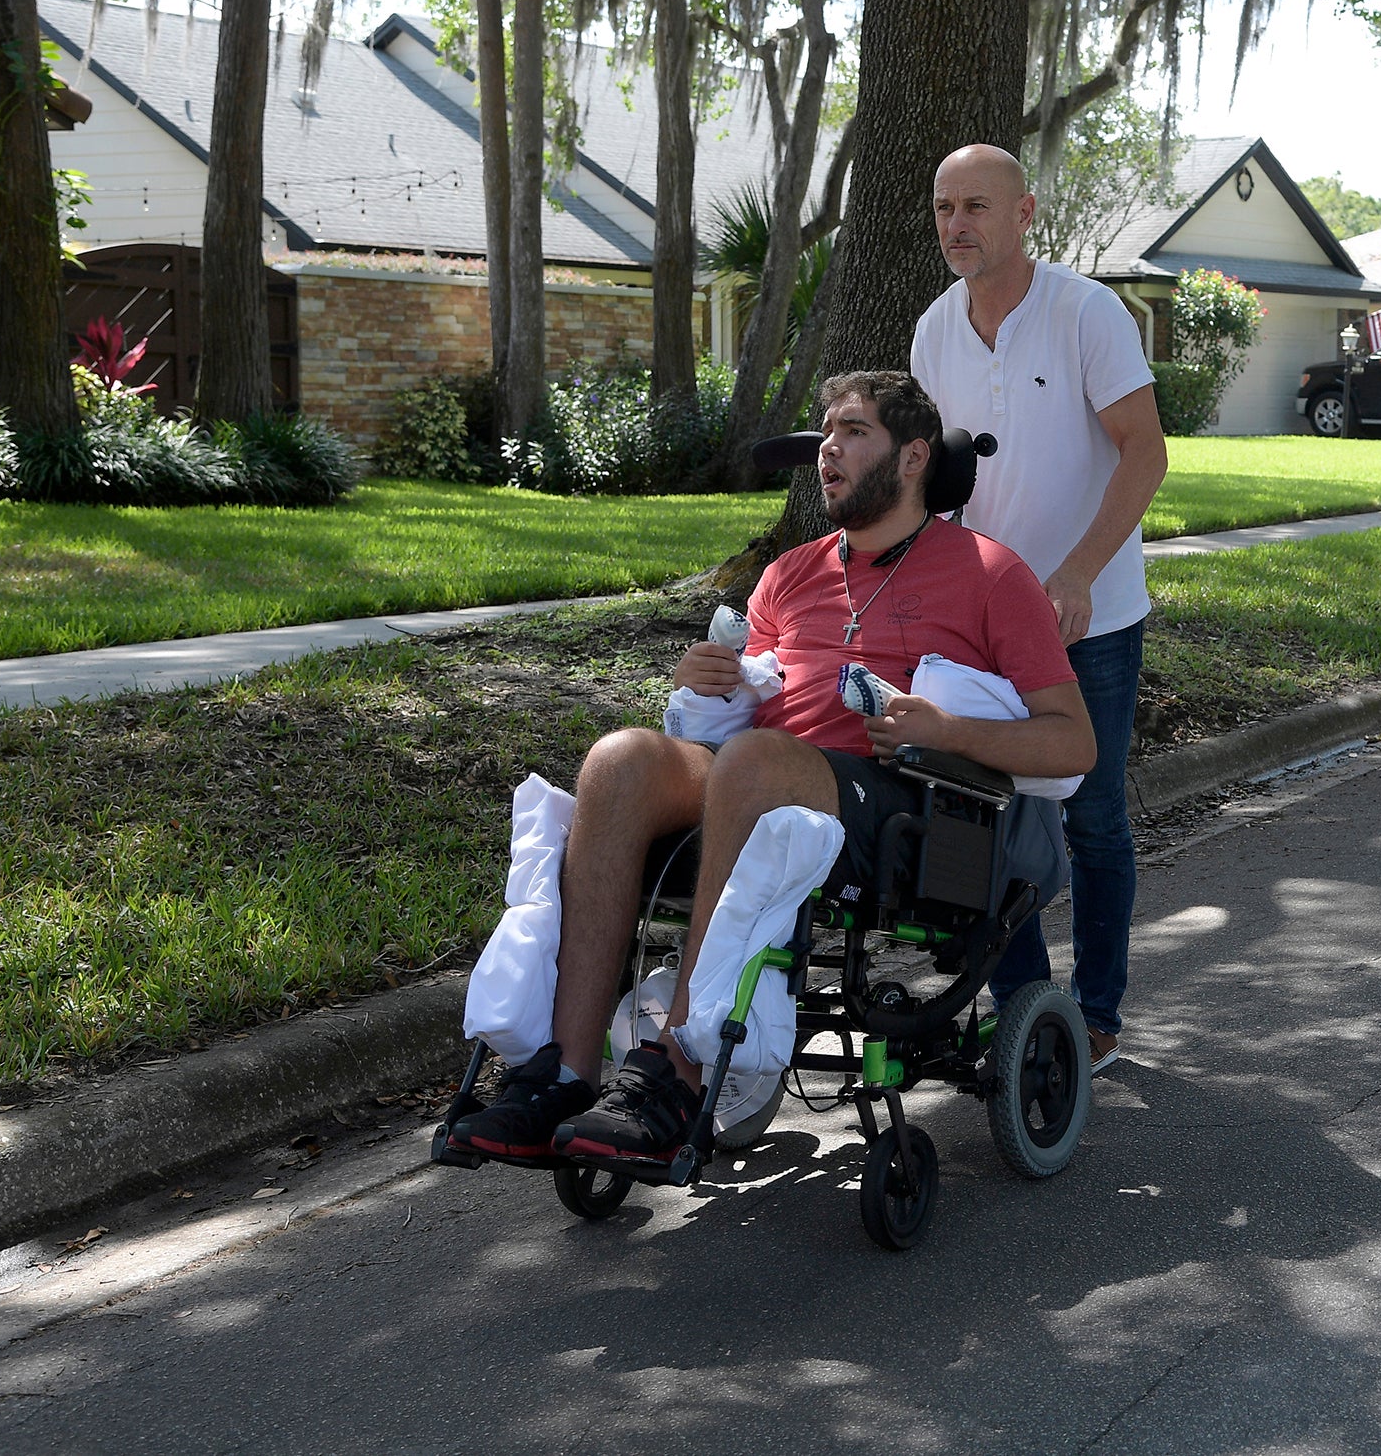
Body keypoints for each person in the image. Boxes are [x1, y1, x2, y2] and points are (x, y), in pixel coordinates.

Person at [448, 371, 1095, 1166]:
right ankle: (567, 1073)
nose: (828, 447)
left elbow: (1073, 744)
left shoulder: (992, 574)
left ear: (915, 456)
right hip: (761, 774)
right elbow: (753, 705)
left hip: (897, 805)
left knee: (754, 762)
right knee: (618, 758)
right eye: (826, 431)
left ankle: (677, 1076)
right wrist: (705, 683)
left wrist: (948, 726)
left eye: (853, 431)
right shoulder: (788, 574)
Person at [910, 143, 1169, 1074]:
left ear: (1023, 214)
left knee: (1091, 814)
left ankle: (1095, 1012)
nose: (956, 224)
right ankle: (1027, 1011)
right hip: (982, 624)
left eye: (976, 204)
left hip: (1087, 615)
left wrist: (1078, 572)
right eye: (944, 207)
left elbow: (1144, 451)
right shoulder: (933, 332)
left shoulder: (1085, 313)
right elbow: (934, 486)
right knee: (980, 814)